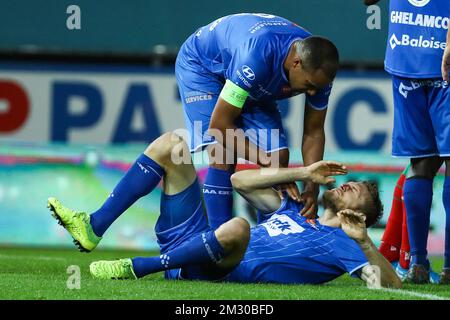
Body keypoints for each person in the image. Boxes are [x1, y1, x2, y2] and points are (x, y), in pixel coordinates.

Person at [47, 132, 401, 288]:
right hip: (196, 243)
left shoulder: (345, 245)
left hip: (215, 268)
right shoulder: (295, 210)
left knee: (238, 227)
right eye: (351, 183)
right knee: (172, 145)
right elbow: (240, 182)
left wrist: (365, 243)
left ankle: (139, 268)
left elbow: (393, 287)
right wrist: (303, 172)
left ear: (361, 217)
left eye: (357, 193)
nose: (349, 185)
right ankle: (94, 225)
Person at [175, 13, 339, 229]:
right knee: (223, 151)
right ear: (296, 63)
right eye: (308, 85)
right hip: (205, 67)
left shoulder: (318, 74)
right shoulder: (256, 57)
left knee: (278, 157)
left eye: (316, 88)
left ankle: (269, 244)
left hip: (250, 78)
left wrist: (312, 186)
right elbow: (220, 127)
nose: (311, 92)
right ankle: (218, 245)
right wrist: (267, 164)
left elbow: (314, 131)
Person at [363, 0, 450, 284]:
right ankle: (448, 267)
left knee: (421, 162)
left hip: (407, 57)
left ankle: (418, 264)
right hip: (443, 56)